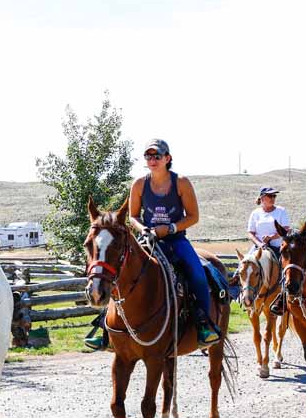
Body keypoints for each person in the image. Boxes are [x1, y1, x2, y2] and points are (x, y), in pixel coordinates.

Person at [84, 138, 220, 350]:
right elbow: (134, 217)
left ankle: (204, 324)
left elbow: (193, 216)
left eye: (157, 156)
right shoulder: (139, 184)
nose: (152, 160)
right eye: (148, 156)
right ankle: (105, 327)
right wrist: (144, 229)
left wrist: (171, 228)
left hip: (176, 241)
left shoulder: (181, 182)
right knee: (118, 272)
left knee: (197, 274)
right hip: (148, 240)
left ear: (168, 158)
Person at [247, 186, 291, 256]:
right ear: (262, 197)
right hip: (258, 248)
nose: (273, 198)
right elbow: (250, 233)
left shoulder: (281, 211)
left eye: (274, 196)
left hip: (278, 248)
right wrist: (259, 244)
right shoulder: (255, 213)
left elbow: (286, 230)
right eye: (270, 196)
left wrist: (270, 237)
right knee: (243, 263)